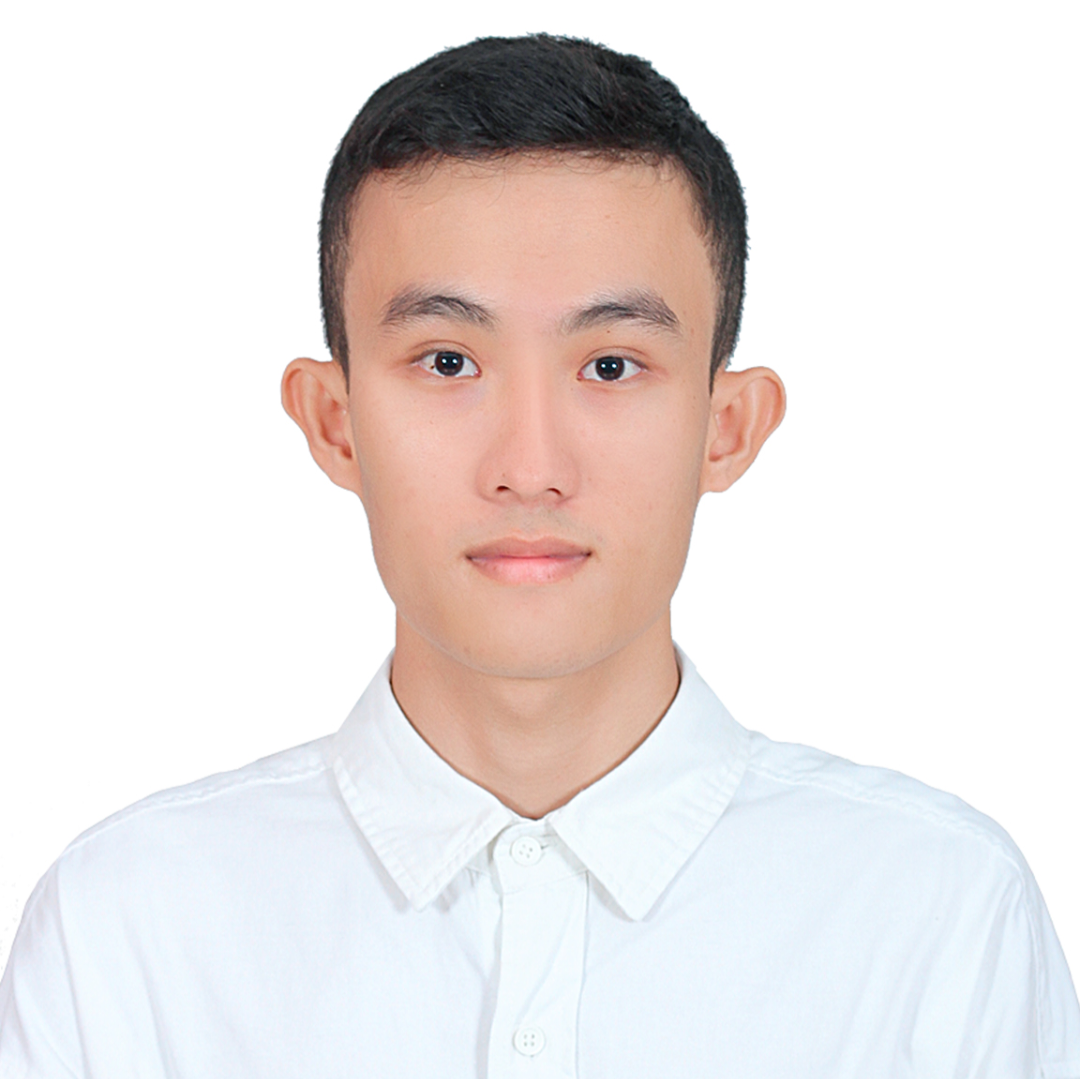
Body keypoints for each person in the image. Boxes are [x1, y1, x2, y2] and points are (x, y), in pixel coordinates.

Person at [1, 32, 1077, 1078]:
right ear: (334, 422)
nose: (530, 467)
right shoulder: (126, 933)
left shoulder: (937, 915)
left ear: (726, 428)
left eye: (611, 365)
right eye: (447, 360)